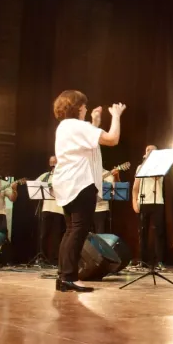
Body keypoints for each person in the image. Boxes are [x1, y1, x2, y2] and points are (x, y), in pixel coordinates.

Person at [52, 90, 124, 293]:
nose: (85, 108)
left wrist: (95, 122)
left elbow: (87, 141)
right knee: (78, 230)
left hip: (68, 183)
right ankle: (69, 277)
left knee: (71, 230)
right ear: (77, 107)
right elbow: (112, 139)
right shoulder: (77, 126)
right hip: (80, 183)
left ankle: (64, 276)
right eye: (83, 105)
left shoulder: (65, 126)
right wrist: (116, 115)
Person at [132, 145, 167, 269]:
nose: (149, 152)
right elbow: (135, 187)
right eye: (147, 150)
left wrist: (149, 163)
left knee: (158, 232)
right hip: (143, 201)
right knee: (143, 232)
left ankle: (160, 261)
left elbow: (155, 177)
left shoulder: (161, 166)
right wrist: (134, 201)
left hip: (157, 202)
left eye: (152, 150)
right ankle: (143, 260)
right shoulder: (140, 167)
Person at [36, 156, 64, 265]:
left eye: (55, 162)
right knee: (44, 234)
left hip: (59, 208)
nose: (53, 164)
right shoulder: (46, 176)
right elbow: (35, 185)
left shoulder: (63, 175)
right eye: (51, 162)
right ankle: (43, 257)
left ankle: (55, 259)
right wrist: (46, 186)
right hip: (46, 208)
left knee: (56, 235)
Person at [93, 167, 120, 234]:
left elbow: (117, 189)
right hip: (85, 209)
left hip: (101, 209)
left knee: (100, 235)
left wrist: (116, 176)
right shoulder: (86, 172)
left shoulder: (106, 173)